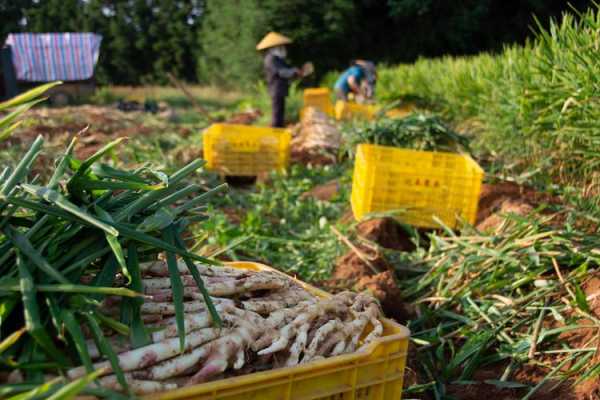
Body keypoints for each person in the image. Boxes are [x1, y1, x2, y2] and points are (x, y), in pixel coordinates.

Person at [256, 32, 302, 128]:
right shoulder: (271, 59)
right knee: (277, 115)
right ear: (275, 47)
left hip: (279, 89)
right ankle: (275, 133)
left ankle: (279, 132)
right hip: (276, 89)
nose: (283, 49)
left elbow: (286, 72)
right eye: (281, 47)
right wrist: (294, 71)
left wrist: (295, 73)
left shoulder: (277, 59)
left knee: (280, 113)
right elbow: (282, 72)